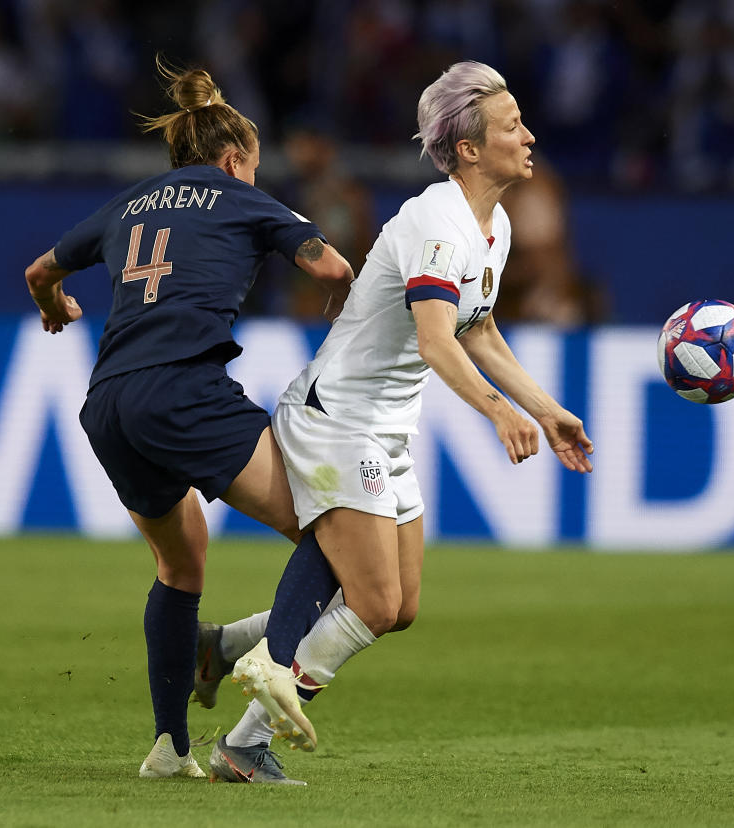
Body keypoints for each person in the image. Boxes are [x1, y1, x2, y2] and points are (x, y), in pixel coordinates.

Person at [195, 61, 594, 785]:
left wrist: (547, 409)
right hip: (340, 418)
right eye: (512, 126)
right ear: (469, 149)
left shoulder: (492, 224)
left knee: (400, 605)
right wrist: (500, 414)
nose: (529, 135)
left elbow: (478, 331)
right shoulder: (436, 222)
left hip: (382, 427)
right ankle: (244, 745)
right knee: (371, 600)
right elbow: (437, 340)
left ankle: (223, 647)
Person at [21, 59, 354, 780]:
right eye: (254, 168)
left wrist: (55, 312)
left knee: (180, 560)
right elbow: (331, 268)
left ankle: (169, 748)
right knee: (335, 526)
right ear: (235, 160)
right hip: (184, 392)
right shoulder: (242, 199)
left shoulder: (129, 204)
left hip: (109, 401)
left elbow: (39, 272)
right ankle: (260, 668)